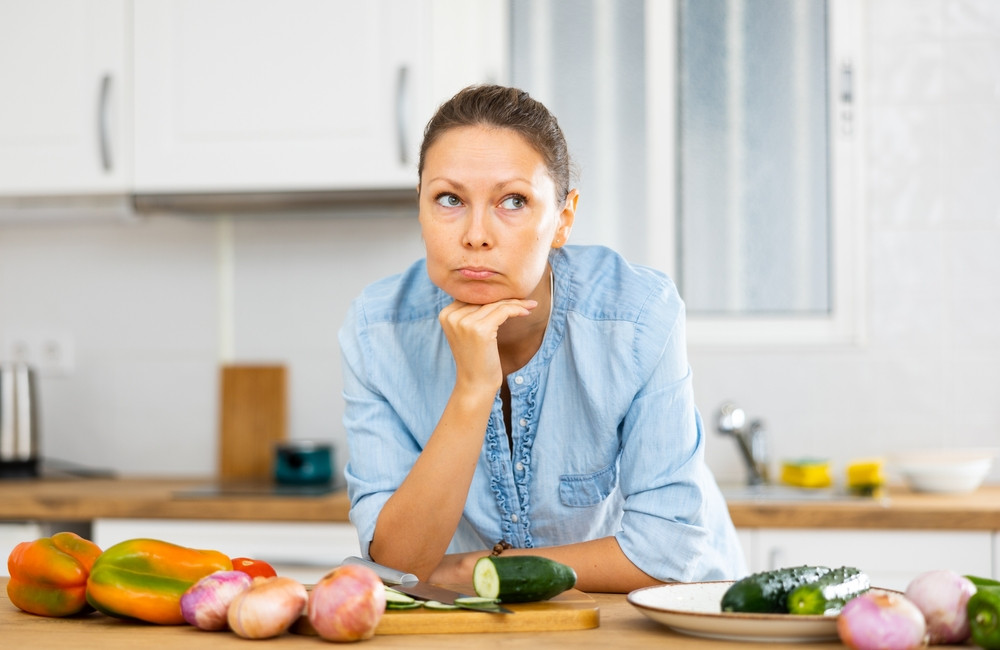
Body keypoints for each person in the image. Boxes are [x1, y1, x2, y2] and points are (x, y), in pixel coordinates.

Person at [340, 84, 746, 592]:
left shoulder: (638, 316)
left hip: (665, 618)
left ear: (563, 219)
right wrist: (473, 389)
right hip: (491, 624)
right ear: (420, 207)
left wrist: (472, 570)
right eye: (449, 199)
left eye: (513, 201)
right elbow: (399, 564)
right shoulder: (377, 333)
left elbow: (667, 553)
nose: (475, 234)